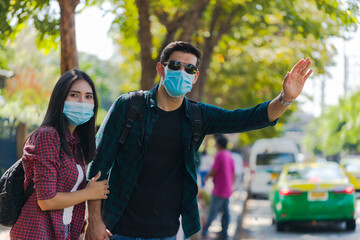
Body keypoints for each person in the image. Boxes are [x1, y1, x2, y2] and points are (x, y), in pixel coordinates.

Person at [85, 41, 312, 240]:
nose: (182, 72)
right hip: (116, 230)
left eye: (189, 68)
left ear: (195, 77)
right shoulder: (129, 106)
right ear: (160, 69)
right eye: (175, 65)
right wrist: (94, 220)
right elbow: (98, 166)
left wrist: (285, 98)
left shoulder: (198, 116)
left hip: (166, 232)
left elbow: (248, 118)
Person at [10, 69, 110, 240]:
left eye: (88, 97)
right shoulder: (47, 136)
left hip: (62, 232)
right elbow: (46, 200)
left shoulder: (76, 144)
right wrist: (89, 193)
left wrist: (89, 225)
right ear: (60, 99)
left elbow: (67, 194)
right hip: (35, 233)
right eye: (74, 95)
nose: (82, 102)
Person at [202, 135, 235, 240]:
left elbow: (214, 170)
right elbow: (234, 173)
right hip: (227, 189)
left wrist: (207, 177)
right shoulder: (229, 155)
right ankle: (224, 233)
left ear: (219, 145)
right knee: (225, 213)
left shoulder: (219, 155)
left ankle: (205, 231)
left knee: (213, 211)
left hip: (219, 189)